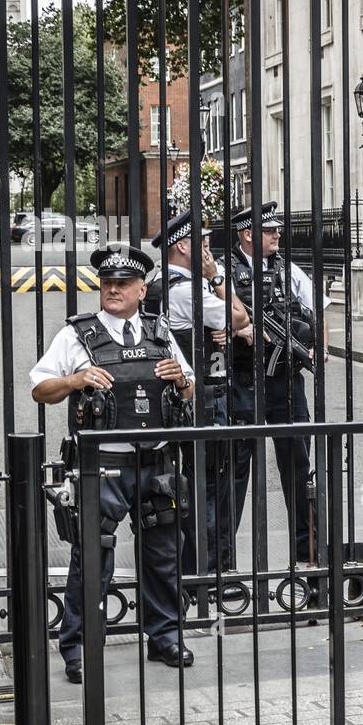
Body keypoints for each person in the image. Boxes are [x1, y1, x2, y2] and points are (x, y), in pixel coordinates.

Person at [30, 244, 196, 682]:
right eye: (107, 283)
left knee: (163, 555)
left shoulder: (160, 332)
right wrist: (74, 379)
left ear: (143, 289)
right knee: (93, 557)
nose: (114, 289)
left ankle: (166, 638)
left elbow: (190, 389)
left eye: (123, 284)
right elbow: (40, 389)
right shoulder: (77, 335)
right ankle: (81, 648)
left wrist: (181, 380)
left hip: (157, 461)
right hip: (101, 465)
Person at [222, 200, 330, 565]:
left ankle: (307, 552)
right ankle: (223, 565)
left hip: (285, 382)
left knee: (298, 466)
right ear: (249, 234)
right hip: (242, 381)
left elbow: (319, 307)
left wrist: (319, 348)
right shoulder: (223, 272)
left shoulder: (288, 270)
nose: (278, 235)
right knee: (235, 472)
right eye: (271, 231)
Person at [147, 210, 250, 580]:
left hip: (182, 397)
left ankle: (198, 570)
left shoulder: (160, 282)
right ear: (182, 246)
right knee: (209, 490)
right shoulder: (184, 289)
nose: (210, 253)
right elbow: (240, 316)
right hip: (202, 398)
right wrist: (216, 278)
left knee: (195, 485)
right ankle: (209, 575)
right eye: (204, 246)